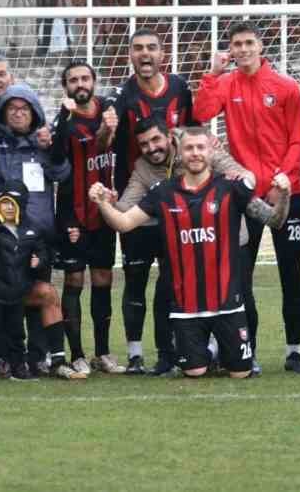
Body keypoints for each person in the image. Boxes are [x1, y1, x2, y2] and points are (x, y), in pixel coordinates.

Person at [117, 118, 284, 374]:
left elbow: (245, 176)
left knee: (241, 298)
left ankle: (246, 354)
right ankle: (172, 356)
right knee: (168, 294)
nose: (152, 148)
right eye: (144, 144)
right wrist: (166, 209)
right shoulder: (144, 168)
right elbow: (125, 210)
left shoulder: (201, 149)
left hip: (228, 241)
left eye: (155, 140)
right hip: (184, 247)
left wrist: (240, 184)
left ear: (170, 139)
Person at [193, 21, 300, 373]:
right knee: (241, 276)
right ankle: (250, 351)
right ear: (231, 50)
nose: (243, 50)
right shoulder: (227, 83)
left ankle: (294, 351)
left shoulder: (286, 87)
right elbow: (201, 113)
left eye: (249, 43)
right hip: (244, 198)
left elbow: (299, 139)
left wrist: (285, 178)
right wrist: (212, 74)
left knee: (291, 273)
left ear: (261, 47)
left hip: (287, 194)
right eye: (237, 45)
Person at [90, 128, 254, 379]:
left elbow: (273, 218)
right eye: (189, 148)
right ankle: (209, 351)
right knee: (195, 371)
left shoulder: (229, 187)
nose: (195, 153)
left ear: (211, 150)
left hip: (226, 302)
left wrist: (283, 194)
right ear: (179, 151)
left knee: (240, 374)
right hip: (187, 304)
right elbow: (123, 223)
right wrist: (102, 203)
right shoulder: (163, 192)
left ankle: (223, 347)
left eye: (200, 148)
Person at [0, 81, 75, 376]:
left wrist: (54, 144)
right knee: (1, 300)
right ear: (3, 112)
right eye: (12, 108)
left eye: (24, 109)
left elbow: (62, 172)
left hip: (37, 237)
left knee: (34, 299)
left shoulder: (44, 142)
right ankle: (1, 356)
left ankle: (38, 357)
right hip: (0, 239)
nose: (18, 113)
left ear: (34, 113)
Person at [108, 29, 194, 372]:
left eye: (152, 48)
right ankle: (134, 354)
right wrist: (106, 128)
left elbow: (193, 136)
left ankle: (170, 351)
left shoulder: (180, 89)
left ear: (163, 54)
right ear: (130, 54)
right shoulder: (120, 96)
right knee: (136, 280)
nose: (145, 54)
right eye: (138, 48)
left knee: (173, 280)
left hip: (177, 205)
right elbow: (105, 141)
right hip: (136, 199)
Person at [52, 61, 120, 375]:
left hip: (104, 213)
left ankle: (102, 353)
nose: (80, 84)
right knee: (75, 281)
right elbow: (54, 162)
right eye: (73, 80)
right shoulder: (63, 119)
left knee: (103, 280)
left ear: (94, 81)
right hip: (72, 214)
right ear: (65, 87)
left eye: (85, 78)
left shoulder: (109, 112)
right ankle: (77, 353)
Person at [0, 184, 54, 383]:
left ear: (21, 205)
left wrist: (39, 260)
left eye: (12, 203)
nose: (8, 208)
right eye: (4, 203)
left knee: (16, 333)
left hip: (16, 292)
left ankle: (18, 368)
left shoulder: (31, 228)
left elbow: (43, 252)